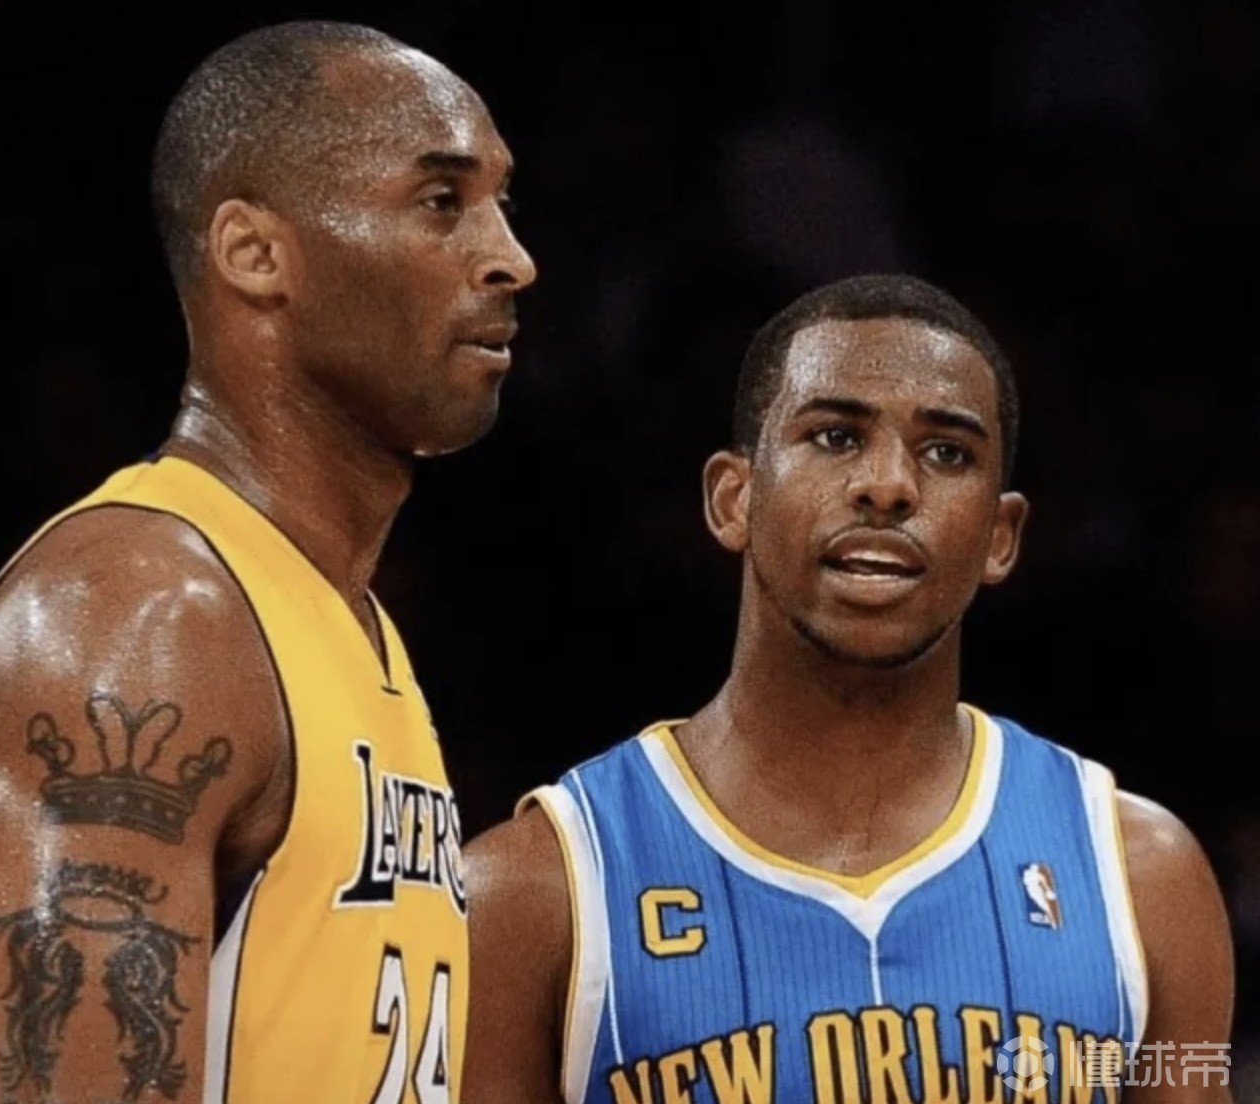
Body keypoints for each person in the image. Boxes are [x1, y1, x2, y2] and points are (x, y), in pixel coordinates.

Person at [0, 19, 534, 1103]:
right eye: (441, 201)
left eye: (502, 203)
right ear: (253, 254)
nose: (512, 257)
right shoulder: (140, 615)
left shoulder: (339, 623)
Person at [463, 274, 1234, 1104]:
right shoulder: (533, 892)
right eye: (835, 437)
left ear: (1000, 537)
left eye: (948, 452)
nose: (889, 485)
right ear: (733, 499)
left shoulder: (1142, 877)